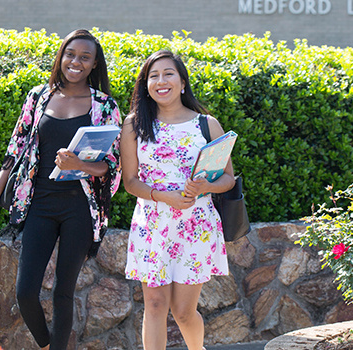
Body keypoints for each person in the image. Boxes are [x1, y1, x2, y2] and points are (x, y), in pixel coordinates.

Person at [0, 29, 121, 350]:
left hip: (79, 209)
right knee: (25, 291)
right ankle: (45, 345)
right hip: (39, 203)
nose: (76, 62)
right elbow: (13, 151)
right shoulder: (38, 97)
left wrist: (77, 165)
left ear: (94, 64)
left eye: (85, 57)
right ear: (61, 57)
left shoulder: (105, 106)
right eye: (70, 54)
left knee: (63, 292)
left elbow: (110, 167)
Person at [120, 50, 234, 350]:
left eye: (168, 74)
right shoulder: (134, 125)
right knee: (155, 304)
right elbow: (130, 182)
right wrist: (162, 196)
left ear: (182, 82)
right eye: (153, 76)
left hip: (195, 226)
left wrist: (203, 187)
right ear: (146, 85)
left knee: (183, 312)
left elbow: (228, 179)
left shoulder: (207, 125)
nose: (161, 81)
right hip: (152, 225)